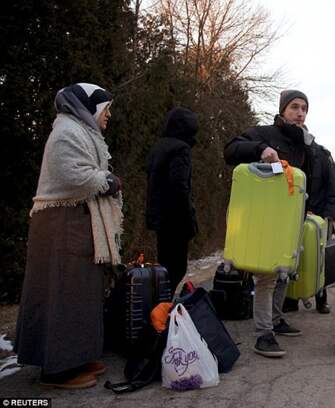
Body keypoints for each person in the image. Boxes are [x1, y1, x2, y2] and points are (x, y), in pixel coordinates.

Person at [14, 83, 123, 389]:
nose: (109, 115)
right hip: (60, 227)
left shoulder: (80, 132)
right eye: (106, 109)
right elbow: (71, 175)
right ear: (91, 107)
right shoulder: (67, 132)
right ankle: (57, 369)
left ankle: (76, 358)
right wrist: (107, 180)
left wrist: (105, 181)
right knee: (63, 293)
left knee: (81, 293)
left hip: (74, 224)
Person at [224, 89, 314, 357]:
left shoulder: (304, 143)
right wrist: (260, 149)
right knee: (266, 276)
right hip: (264, 218)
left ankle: (275, 319)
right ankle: (263, 334)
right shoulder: (264, 133)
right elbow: (230, 150)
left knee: (284, 270)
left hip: (291, 218)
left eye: (304, 108)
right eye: (295, 107)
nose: (300, 113)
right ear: (283, 110)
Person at [283, 137, 335, 314]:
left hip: (319, 217)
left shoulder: (323, 156)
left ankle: (321, 299)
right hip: (293, 216)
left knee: (320, 259)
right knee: (292, 257)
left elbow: (334, 191)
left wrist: (328, 218)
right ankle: (291, 298)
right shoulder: (288, 155)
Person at [146, 107, 199, 294]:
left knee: (165, 266)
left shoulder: (159, 146)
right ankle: (161, 309)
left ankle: (159, 307)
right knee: (176, 269)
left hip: (160, 218)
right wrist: (189, 220)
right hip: (175, 219)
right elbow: (179, 186)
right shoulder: (181, 149)